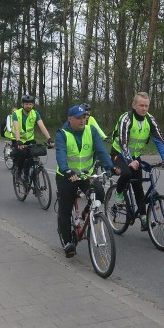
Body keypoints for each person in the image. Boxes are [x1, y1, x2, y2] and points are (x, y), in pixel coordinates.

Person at [56, 105, 116, 258]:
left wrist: (110, 167)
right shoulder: (62, 134)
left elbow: (101, 150)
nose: (82, 120)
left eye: (84, 117)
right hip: (67, 176)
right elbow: (61, 154)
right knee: (65, 207)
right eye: (78, 117)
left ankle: (86, 215)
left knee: (100, 195)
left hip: (86, 176)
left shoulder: (91, 130)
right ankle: (68, 242)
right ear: (70, 119)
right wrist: (66, 170)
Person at [110, 92, 164, 230]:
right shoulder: (126, 118)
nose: (144, 108)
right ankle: (119, 193)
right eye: (141, 105)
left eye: (146, 106)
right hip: (118, 154)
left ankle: (144, 218)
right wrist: (129, 160)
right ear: (134, 105)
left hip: (135, 156)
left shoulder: (150, 120)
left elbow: (159, 140)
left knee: (138, 186)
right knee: (126, 174)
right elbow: (123, 142)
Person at [12, 95, 54, 180]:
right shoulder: (16, 114)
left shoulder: (35, 113)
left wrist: (49, 138)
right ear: (22, 104)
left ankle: (29, 177)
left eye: (30, 104)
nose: (29, 106)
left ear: (33, 105)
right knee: (22, 153)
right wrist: (18, 141)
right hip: (18, 140)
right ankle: (19, 172)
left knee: (32, 157)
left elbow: (42, 126)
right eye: (26, 104)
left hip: (30, 139)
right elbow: (16, 128)